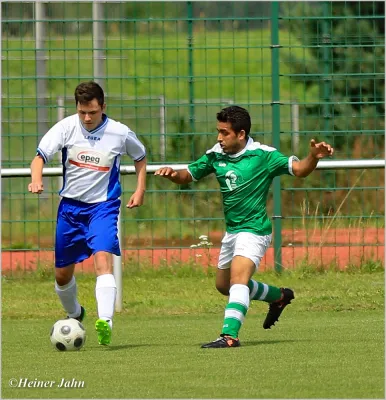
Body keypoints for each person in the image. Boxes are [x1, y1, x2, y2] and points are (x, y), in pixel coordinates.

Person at [155, 105, 333, 348]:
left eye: (224, 133)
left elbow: (300, 170)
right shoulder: (216, 154)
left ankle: (229, 335)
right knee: (224, 285)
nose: (219, 137)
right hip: (233, 231)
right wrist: (172, 174)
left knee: (238, 279)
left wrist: (312, 156)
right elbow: (189, 174)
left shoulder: (263, 156)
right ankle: (279, 296)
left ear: (241, 134)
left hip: (255, 230)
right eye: (218, 131)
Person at [28, 81, 147, 346]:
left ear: (103, 107)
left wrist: (140, 190)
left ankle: (105, 320)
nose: (87, 118)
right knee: (62, 276)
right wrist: (36, 179)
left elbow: (140, 157)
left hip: (103, 208)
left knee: (102, 260)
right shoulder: (66, 127)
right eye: (83, 112)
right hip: (70, 209)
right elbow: (39, 157)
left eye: (92, 112)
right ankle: (75, 314)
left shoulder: (119, 132)